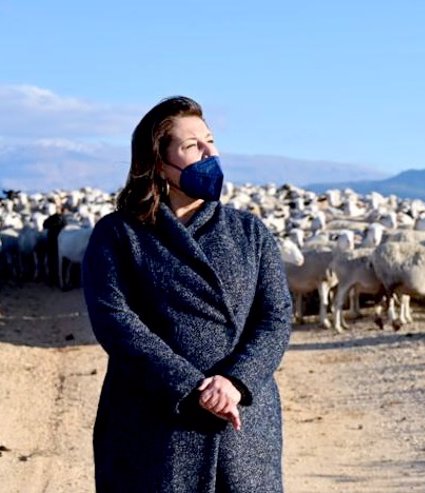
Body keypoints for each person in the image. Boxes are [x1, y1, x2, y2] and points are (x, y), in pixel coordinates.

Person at [82, 96, 293, 492]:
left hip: (241, 418)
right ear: (158, 162)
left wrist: (234, 382)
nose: (210, 153)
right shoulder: (119, 235)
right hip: (156, 419)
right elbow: (116, 322)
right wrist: (190, 385)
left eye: (211, 140)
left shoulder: (249, 233)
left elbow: (276, 316)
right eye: (193, 146)